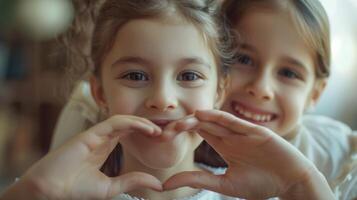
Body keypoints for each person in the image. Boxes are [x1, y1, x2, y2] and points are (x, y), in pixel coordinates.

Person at [0, 0, 336, 199]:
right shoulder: (56, 192)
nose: (162, 100)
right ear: (100, 92)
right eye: (135, 75)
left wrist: (302, 183)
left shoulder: (262, 192)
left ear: (219, 90)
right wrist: (36, 191)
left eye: (189, 76)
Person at [219, 0, 357, 197]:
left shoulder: (338, 155)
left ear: (315, 94)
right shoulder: (178, 153)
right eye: (244, 59)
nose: (261, 88)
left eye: (288, 73)